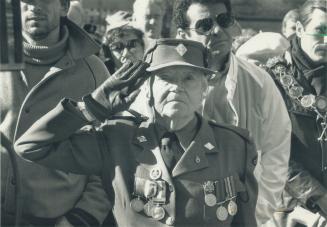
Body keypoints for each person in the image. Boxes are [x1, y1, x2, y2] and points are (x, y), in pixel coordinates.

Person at [15, 39, 258, 227]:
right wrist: (91, 107)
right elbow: (30, 147)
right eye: (165, 77)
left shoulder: (235, 146)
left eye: (189, 78)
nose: (176, 87)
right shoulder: (117, 139)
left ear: (204, 88)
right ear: (148, 87)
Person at [172, 0, 292, 225]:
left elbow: (276, 151)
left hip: (239, 213)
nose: (217, 30)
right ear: (183, 34)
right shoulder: (164, 81)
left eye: (223, 20)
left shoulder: (260, 81)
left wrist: (256, 212)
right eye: (204, 25)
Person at [0, 0, 110, 226]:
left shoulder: (94, 73)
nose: (34, 7)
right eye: (26, 1)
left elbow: (111, 157)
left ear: (63, 6)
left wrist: (81, 218)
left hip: (57, 220)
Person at [265, 0, 327, 226]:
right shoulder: (272, 79)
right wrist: (319, 197)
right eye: (320, 31)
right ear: (299, 29)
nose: (326, 40)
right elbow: (273, 151)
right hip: (291, 209)